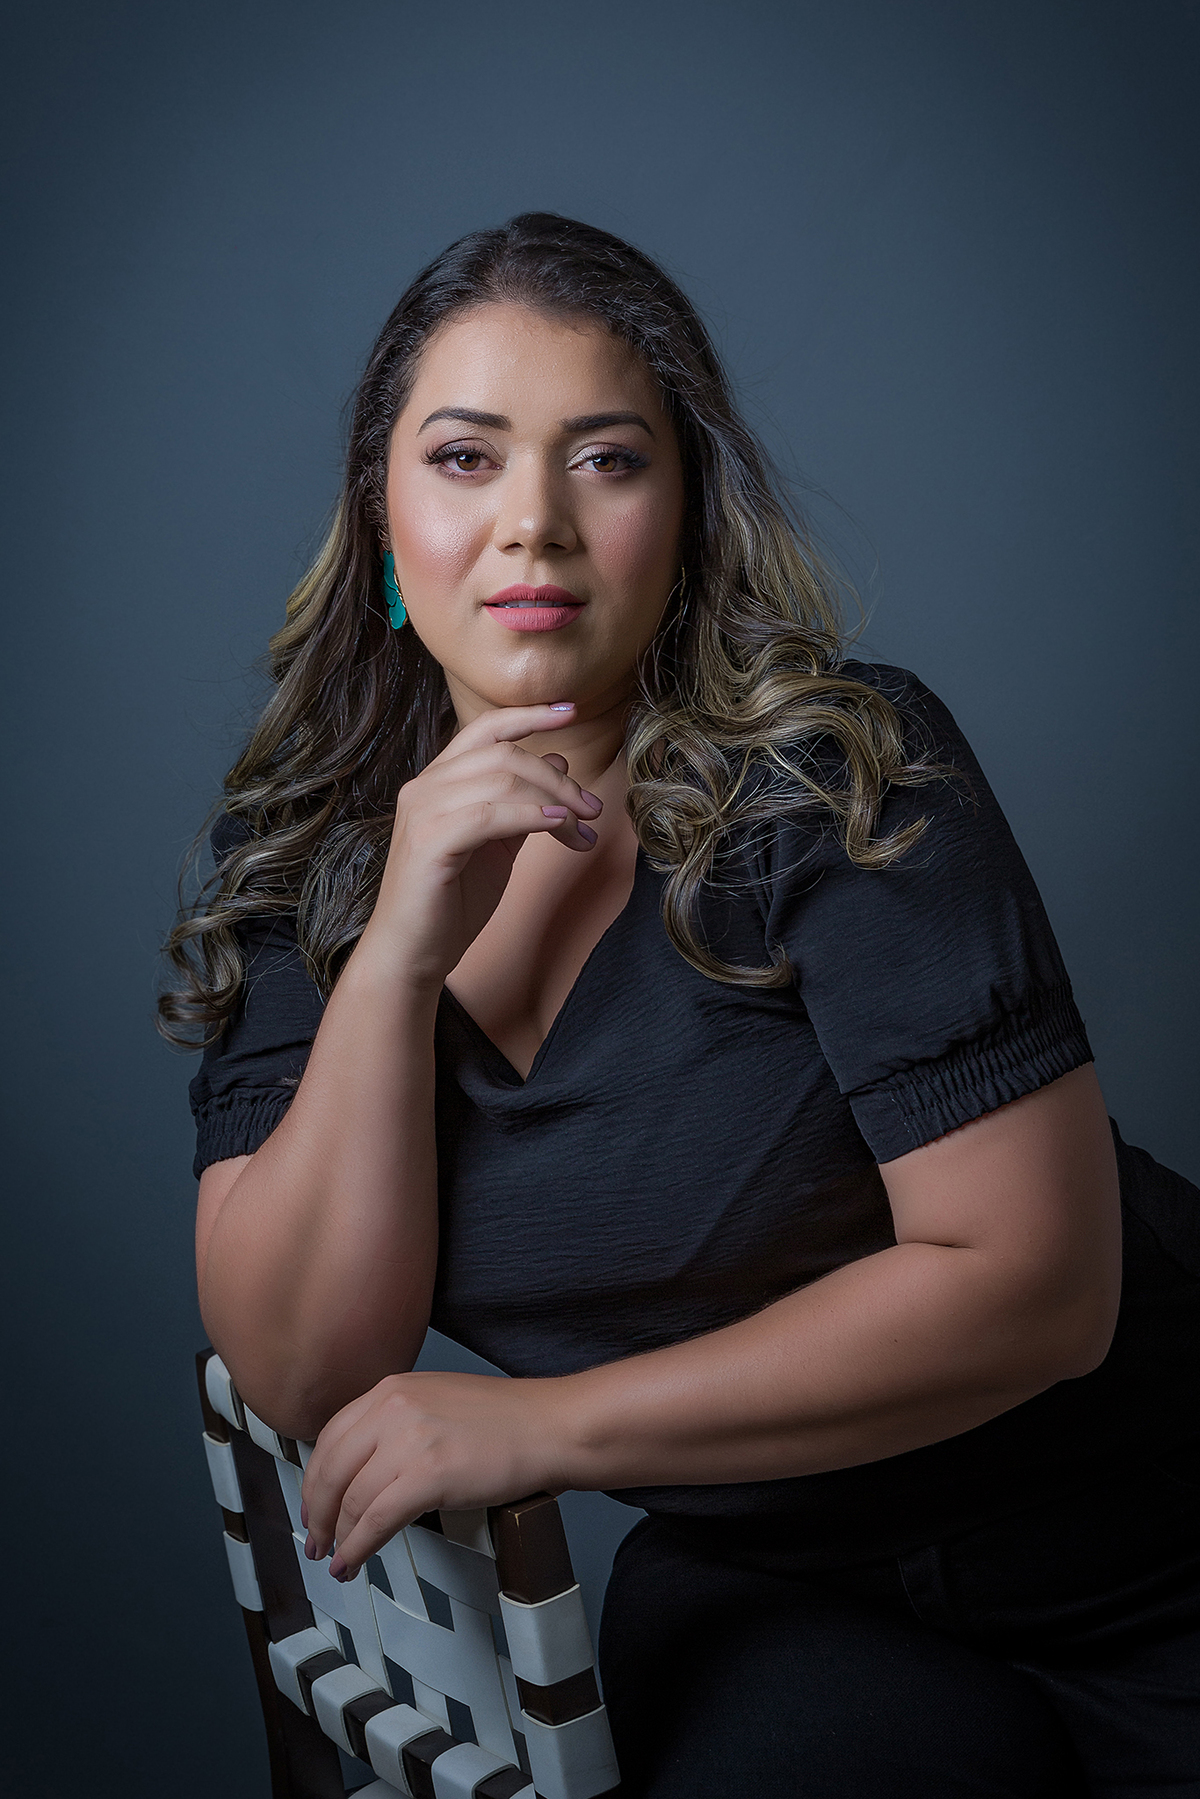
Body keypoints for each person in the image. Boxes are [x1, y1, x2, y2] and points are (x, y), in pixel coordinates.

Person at [162, 213, 1200, 1797]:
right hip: (792, 1582)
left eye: (606, 460)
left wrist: (552, 1426)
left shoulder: (833, 776)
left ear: (686, 519)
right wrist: (396, 963)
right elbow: (303, 1365)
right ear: (380, 522)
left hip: (1151, 1538)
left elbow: (1040, 1291)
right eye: (463, 459)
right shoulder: (303, 864)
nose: (533, 524)